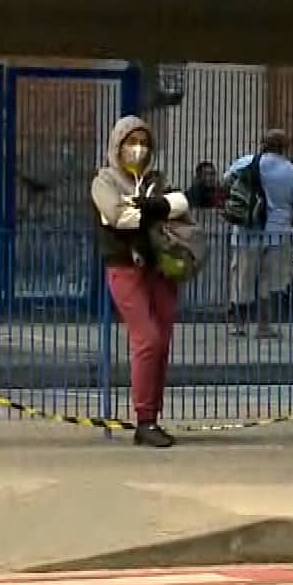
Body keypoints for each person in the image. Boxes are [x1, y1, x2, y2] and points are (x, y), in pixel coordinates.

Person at [92, 116, 189, 448]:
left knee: (161, 340)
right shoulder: (104, 180)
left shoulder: (157, 179)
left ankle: (152, 417)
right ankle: (144, 418)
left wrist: (151, 206)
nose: (138, 149)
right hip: (125, 266)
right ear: (117, 145)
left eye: (144, 143)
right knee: (146, 338)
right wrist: (158, 208)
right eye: (131, 142)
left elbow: (182, 204)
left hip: (160, 266)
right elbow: (115, 215)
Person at [225, 129, 293, 338]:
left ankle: (237, 324)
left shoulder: (244, 163)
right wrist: (291, 220)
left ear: (262, 144)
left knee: (241, 278)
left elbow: (225, 185)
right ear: (285, 146)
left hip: (245, 232)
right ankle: (264, 325)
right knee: (270, 282)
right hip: (279, 233)